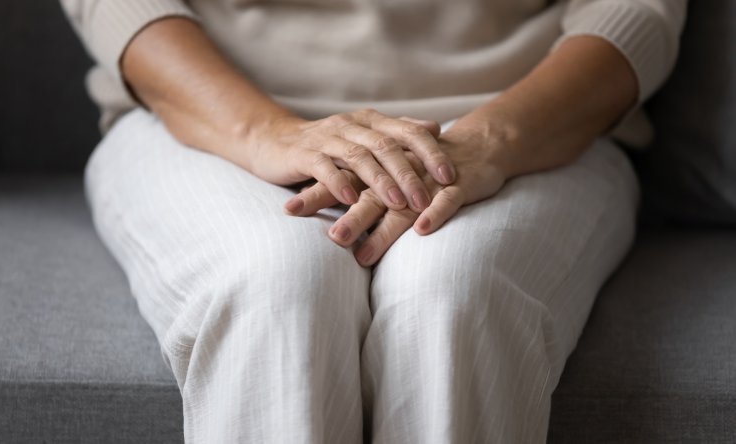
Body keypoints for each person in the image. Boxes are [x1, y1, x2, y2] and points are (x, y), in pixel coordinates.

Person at [61, 0, 686, 442]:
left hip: (526, 123)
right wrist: (261, 129)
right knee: (276, 286)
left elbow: (635, 10)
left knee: (451, 295)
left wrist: (492, 139)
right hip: (210, 118)